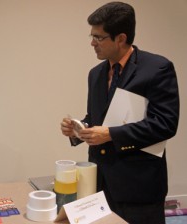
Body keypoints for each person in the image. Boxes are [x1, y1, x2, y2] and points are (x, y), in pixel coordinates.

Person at [60, 2, 179, 224]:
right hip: (99, 186)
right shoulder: (95, 74)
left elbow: (165, 124)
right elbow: (97, 120)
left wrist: (111, 134)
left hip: (139, 188)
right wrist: (79, 129)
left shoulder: (157, 68)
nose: (92, 43)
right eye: (91, 36)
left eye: (99, 37)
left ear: (121, 38)